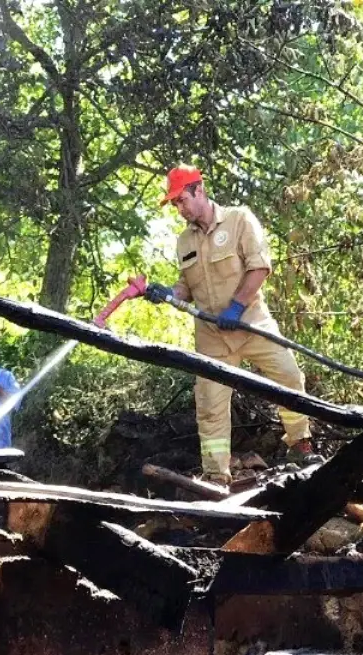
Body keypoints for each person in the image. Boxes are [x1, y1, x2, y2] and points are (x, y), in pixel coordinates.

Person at [147, 164, 316, 485]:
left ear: (199, 190)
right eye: (174, 204)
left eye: (181, 200)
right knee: (210, 405)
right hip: (212, 338)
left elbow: (260, 266)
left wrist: (237, 306)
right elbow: (186, 286)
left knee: (289, 376)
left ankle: (300, 444)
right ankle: (216, 476)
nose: (178, 208)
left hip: (252, 324)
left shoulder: (239, 220)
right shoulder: (185, 241)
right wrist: (168, 293)